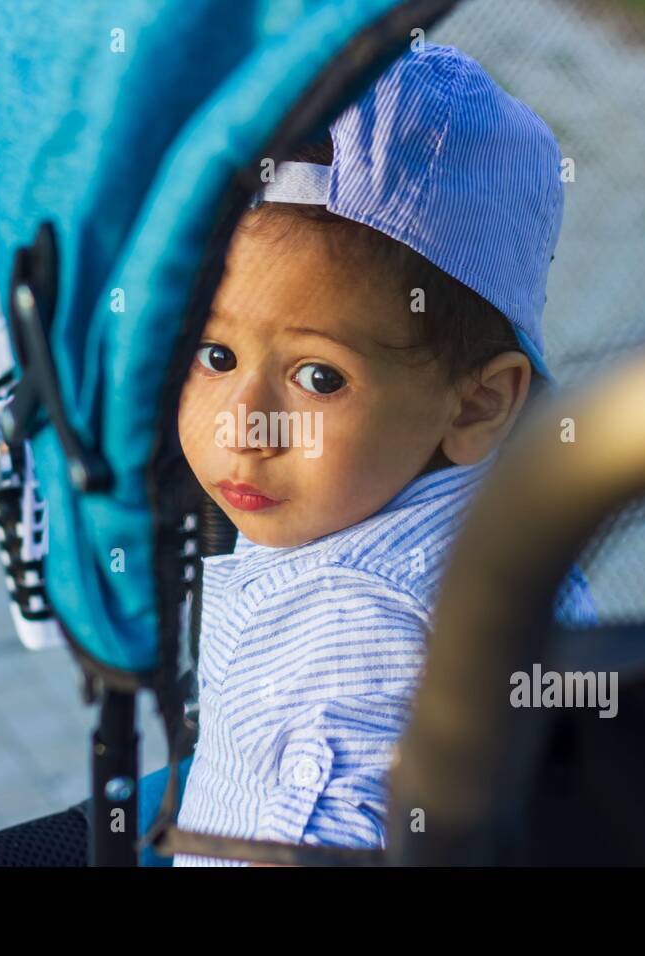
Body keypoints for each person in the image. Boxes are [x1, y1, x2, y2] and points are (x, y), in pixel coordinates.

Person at [169, 42, 594, 866]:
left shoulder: (348, 626)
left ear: (474, 402)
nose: (242, 425)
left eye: (319, 377)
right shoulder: (496, 505)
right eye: (213, 355)